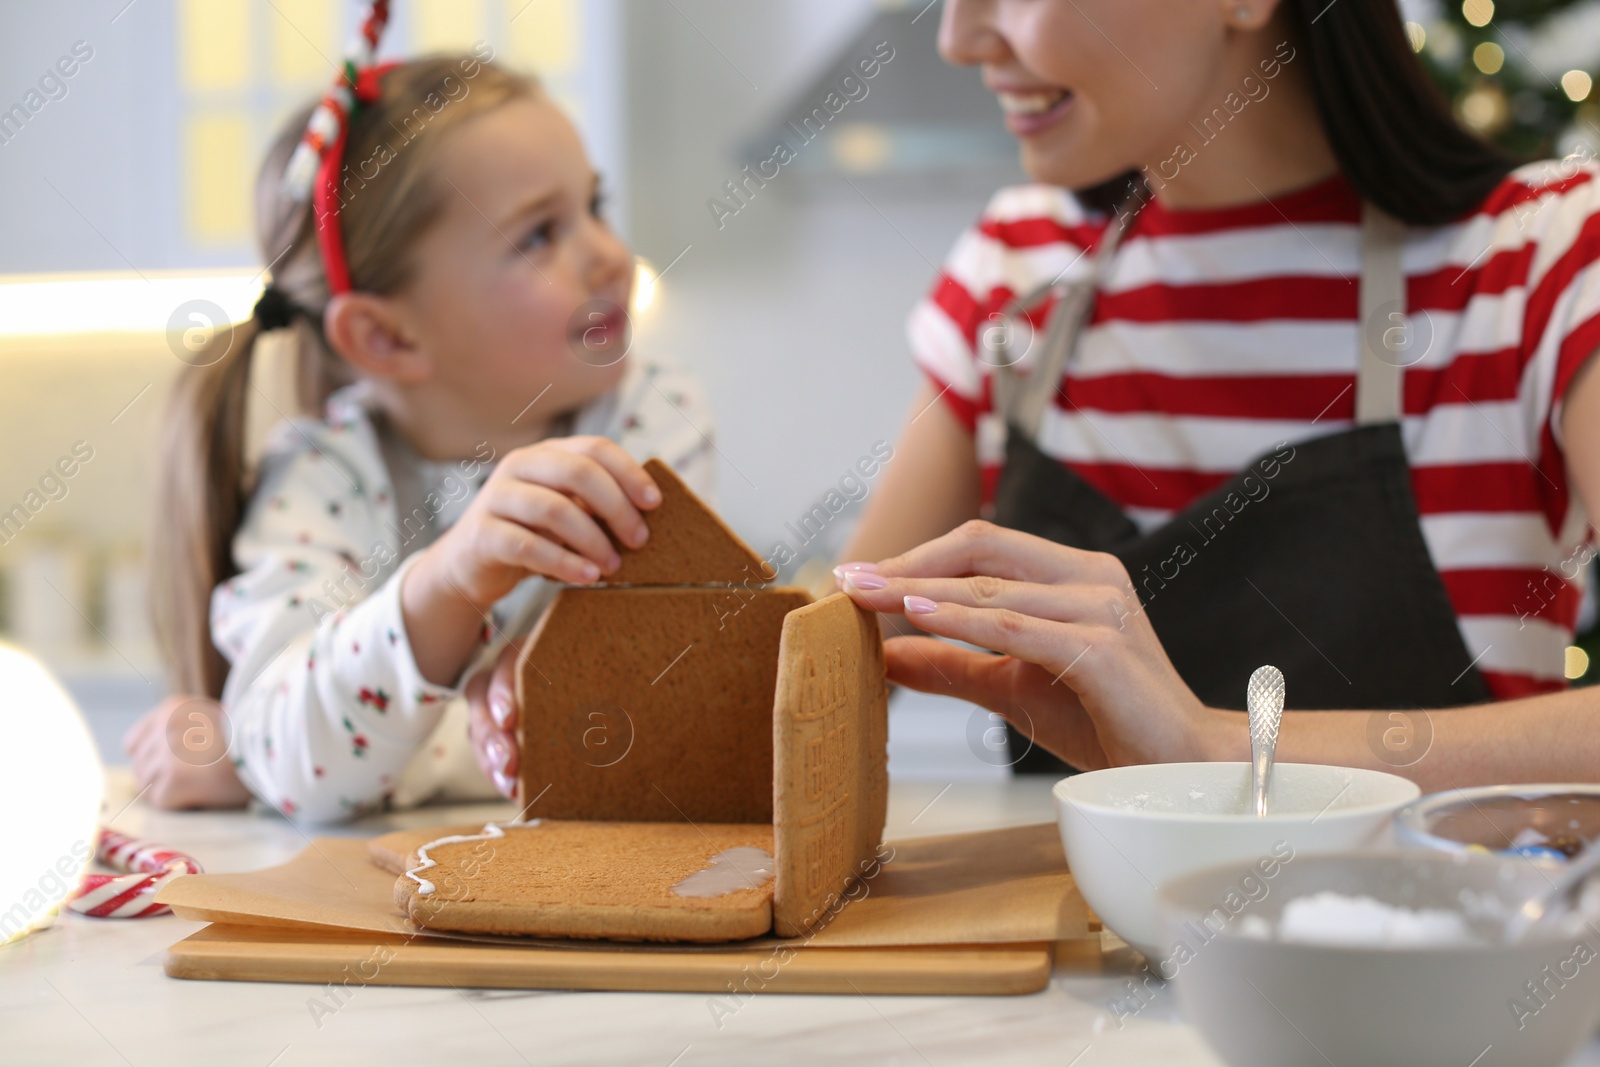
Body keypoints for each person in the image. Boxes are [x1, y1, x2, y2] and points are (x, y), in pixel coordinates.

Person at [829, 0, 1600, 788]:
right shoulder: (1020, 274)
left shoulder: (1545, 259)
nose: (959, 40)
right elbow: (825, 673)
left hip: (1450, 913)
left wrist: (1211, 751)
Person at [130, 28, 714, 821]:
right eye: (540, 233)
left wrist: (273, 761)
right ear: (388, 337)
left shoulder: (653, 423)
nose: (609, 255)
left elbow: (622, 722)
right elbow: (290, 754)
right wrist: (451, 578)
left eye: (594, 206)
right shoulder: (316, 479)